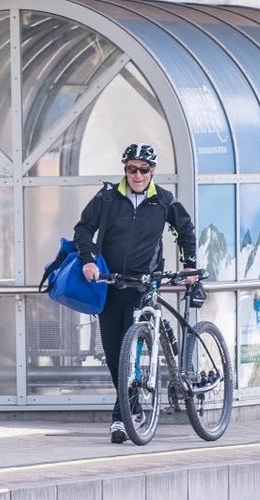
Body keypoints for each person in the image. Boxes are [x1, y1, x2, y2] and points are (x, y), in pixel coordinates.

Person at [74, 143, 197, 443]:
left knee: (130, 352)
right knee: (115, 355)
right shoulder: (107, 197)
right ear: (125, 170)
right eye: (132, 169)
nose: (137, 175)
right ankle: (133, 409)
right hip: (110, 285)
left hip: (144, 285)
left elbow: (186, 231)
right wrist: (88, 260)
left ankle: (120, 418)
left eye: (144, 169)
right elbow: (82, 229)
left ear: (153, 171)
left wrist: (190, 266)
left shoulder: (164, 201)